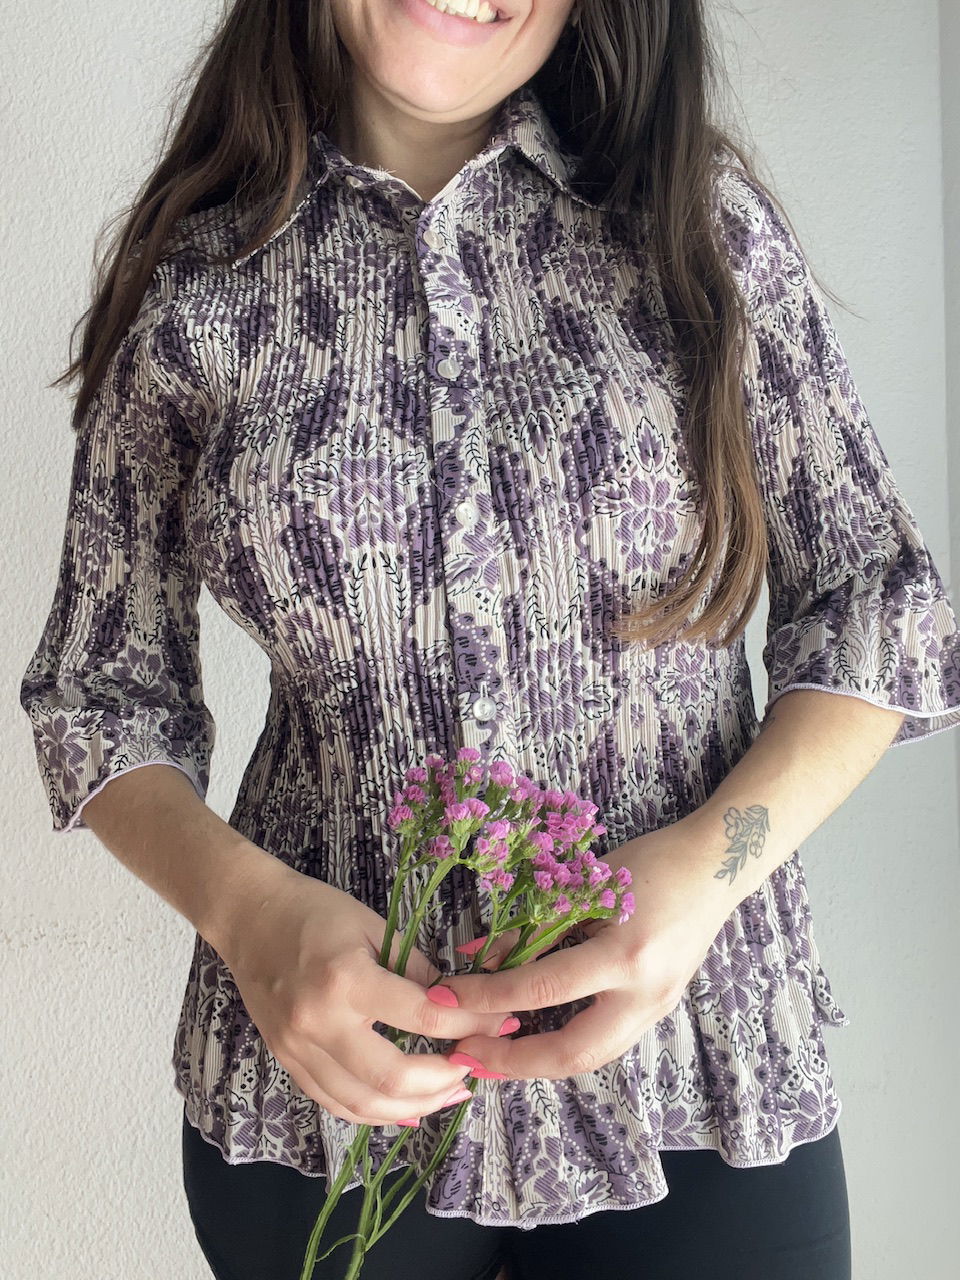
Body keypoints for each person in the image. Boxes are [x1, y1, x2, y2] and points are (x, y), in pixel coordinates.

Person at [18, 1, 960, 1278]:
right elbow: (100, 693)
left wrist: (705, 872)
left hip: (700, 1055)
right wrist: (250, 917)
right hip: (326, 1093)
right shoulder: (196, 290)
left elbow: (877, 601)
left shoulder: (695, 225)